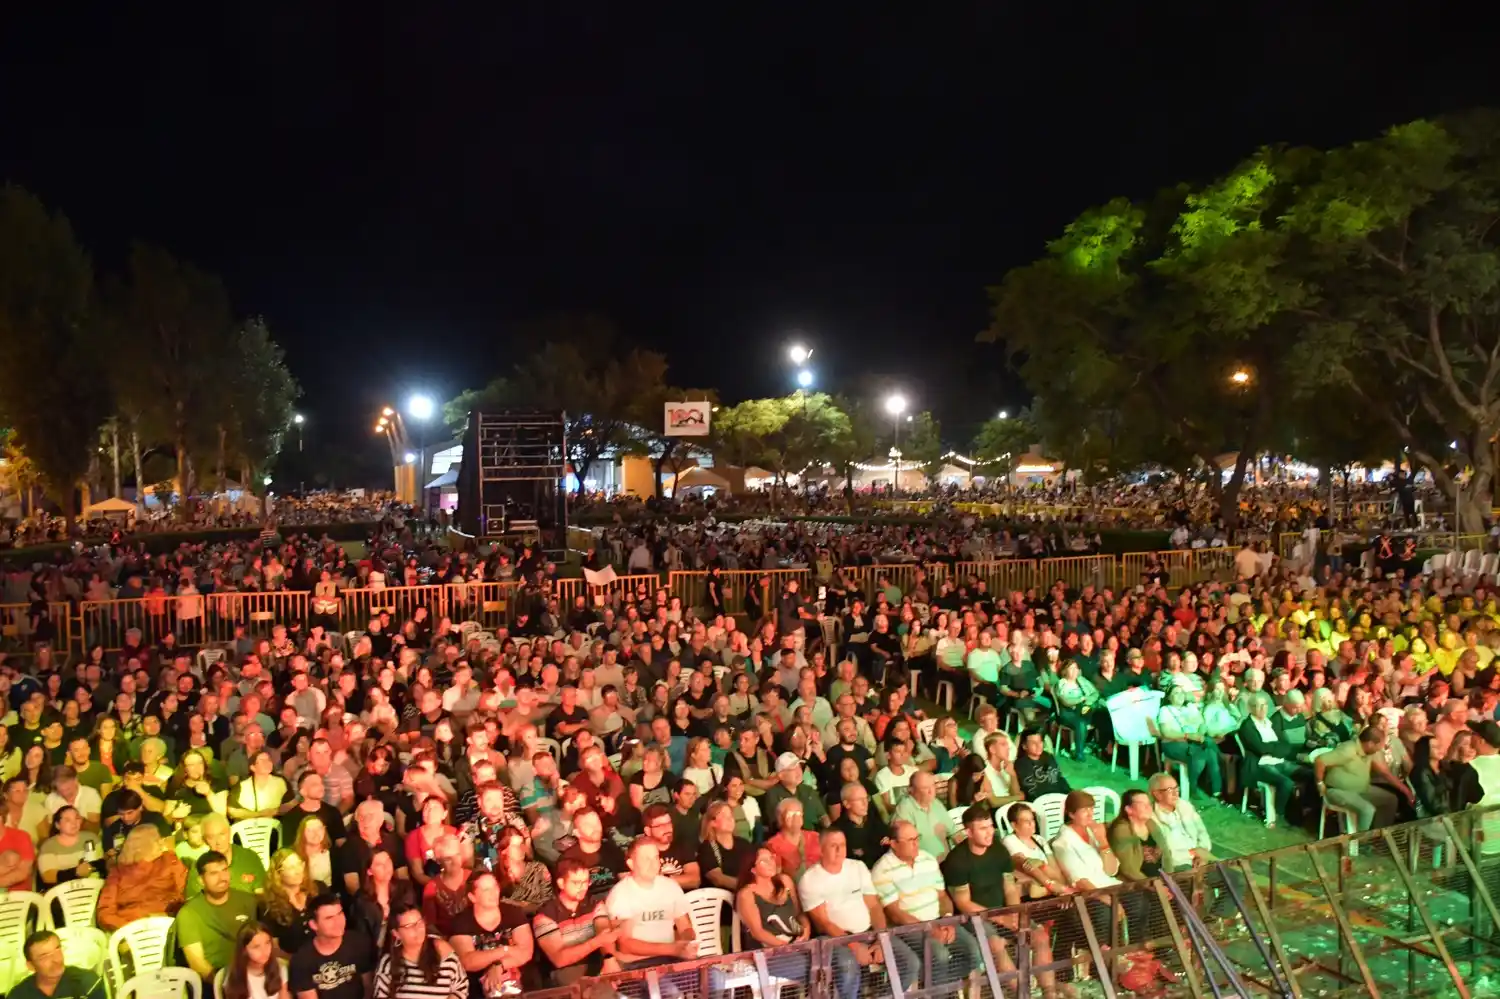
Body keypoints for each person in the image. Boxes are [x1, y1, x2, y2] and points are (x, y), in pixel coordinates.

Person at [944, 805, 1069, 999]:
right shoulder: (957, 861)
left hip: (1003, 911)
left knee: (1039, 937)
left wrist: (1014, 912)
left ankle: (1049, 994)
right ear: (968, 832)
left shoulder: (998, 850)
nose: (989, 832)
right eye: (983, 828)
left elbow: (1010, 886)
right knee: (996, 944)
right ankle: (1023, 994)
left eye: (991, 826)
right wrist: (1001, 918)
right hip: (974, 918)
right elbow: (964, 903)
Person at [800, 829, 915, 999]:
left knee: (910, 963)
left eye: (842, 845)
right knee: (848, 967)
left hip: (869, 932)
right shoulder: (810, 879)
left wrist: (880, 939)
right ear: (821, 849)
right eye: (833, 846)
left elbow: (874, 906)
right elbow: (824, 923)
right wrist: (854, 946)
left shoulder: (858, 867)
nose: (839, 850)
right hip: (833, 939)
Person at [871, 819, 983, 989]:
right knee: (940, 955)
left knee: (975, 952)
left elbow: (943, 896)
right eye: (910, 840)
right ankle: (938, 989)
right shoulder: (882, 869)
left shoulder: (928, 859)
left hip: (940, 920)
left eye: (917, 838)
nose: (916, 843)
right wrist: (930, 929)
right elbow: (895, 914)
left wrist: (947, 920)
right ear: (893, 843)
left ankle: (937, 986)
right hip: (909, 928)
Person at [602, 837, 696, 969]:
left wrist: (688, 943)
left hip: (670, 960)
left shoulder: (671, 886)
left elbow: (685, 927)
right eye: (646, 859)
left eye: (656, 858)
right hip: (637, 965)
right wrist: (672, 949)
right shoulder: (621, 893)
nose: (653, 864)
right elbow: (625, 944)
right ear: (631, 864)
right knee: (671, 989)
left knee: (715, 979)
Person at [531, 857, 622, 987]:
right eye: (576, 882)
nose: (582, 887)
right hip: (563, 973)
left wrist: (609, 958)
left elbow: (603, 929)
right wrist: (596, 942)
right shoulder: (545, 916)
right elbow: (560, 959)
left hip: (595, 965)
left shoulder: (594, 904)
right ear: (561, 883)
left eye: (585, 882)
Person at [177, 851, 261, 985]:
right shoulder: (189, 913)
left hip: (253, 975)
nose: (222, 877)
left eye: (224, 870)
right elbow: (198, 964)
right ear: (201, 880)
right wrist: (225, 985)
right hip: (216, 983)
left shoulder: (248, 901)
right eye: (214, 873)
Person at [448, 869, 535, 996]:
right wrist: (505, 950)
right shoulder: (461, 922)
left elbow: (526, 952)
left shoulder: (513, 912)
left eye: (495, 887)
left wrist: (499, 966)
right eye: (485, 890)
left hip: (519, 983)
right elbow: (468, 962)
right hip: (477, 988)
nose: (493, 893)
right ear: (472, 897)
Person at [1316, 725, 1414, 833]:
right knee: (1367, 810)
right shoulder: (1349, 749)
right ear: (1370, 744)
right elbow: (1320, 760)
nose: (1381, 748)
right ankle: (1359, 843)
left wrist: (1406, 791)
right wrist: (1320, 783)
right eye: (1379, 745)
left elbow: (1385, 772)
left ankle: (1379, 835)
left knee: (1391, 800)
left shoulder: (1369, 752)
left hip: (1361, 789)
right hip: (1337, 790)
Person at [97, 825, 188, 931]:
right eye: (156, 840)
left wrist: (168, 916)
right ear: (140, 847)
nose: (161, 843)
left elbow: (184, 896)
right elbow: (105, 913)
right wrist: (132, 928)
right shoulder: (117, 873)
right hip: (130, 931)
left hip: (167, 924)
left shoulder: (170, 860)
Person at [289, 894, 377, 999]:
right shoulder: (301, 960)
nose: (338, 921)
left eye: (340, 914)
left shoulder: (360, 942)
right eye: (329, 918)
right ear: (313, 925)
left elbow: (369, 988)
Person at [374, 903, 466, 999]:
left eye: (420, 922)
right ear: (396, 933)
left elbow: (461, 988)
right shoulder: (388, 964)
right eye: (409, 926)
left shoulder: (444, 955)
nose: (417, 929)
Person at [7, 930, 106, 999]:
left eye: (57, 950)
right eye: (44, 956)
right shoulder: (19, 995)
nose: (56, 960)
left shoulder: (88, 983)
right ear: (31, 966)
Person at [222, 923, 291, 999]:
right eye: (256, 947)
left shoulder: (280, 968)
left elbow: (284, 995)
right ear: (244, 950)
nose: (264, 950)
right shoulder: (234, 977)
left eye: (267, 943)